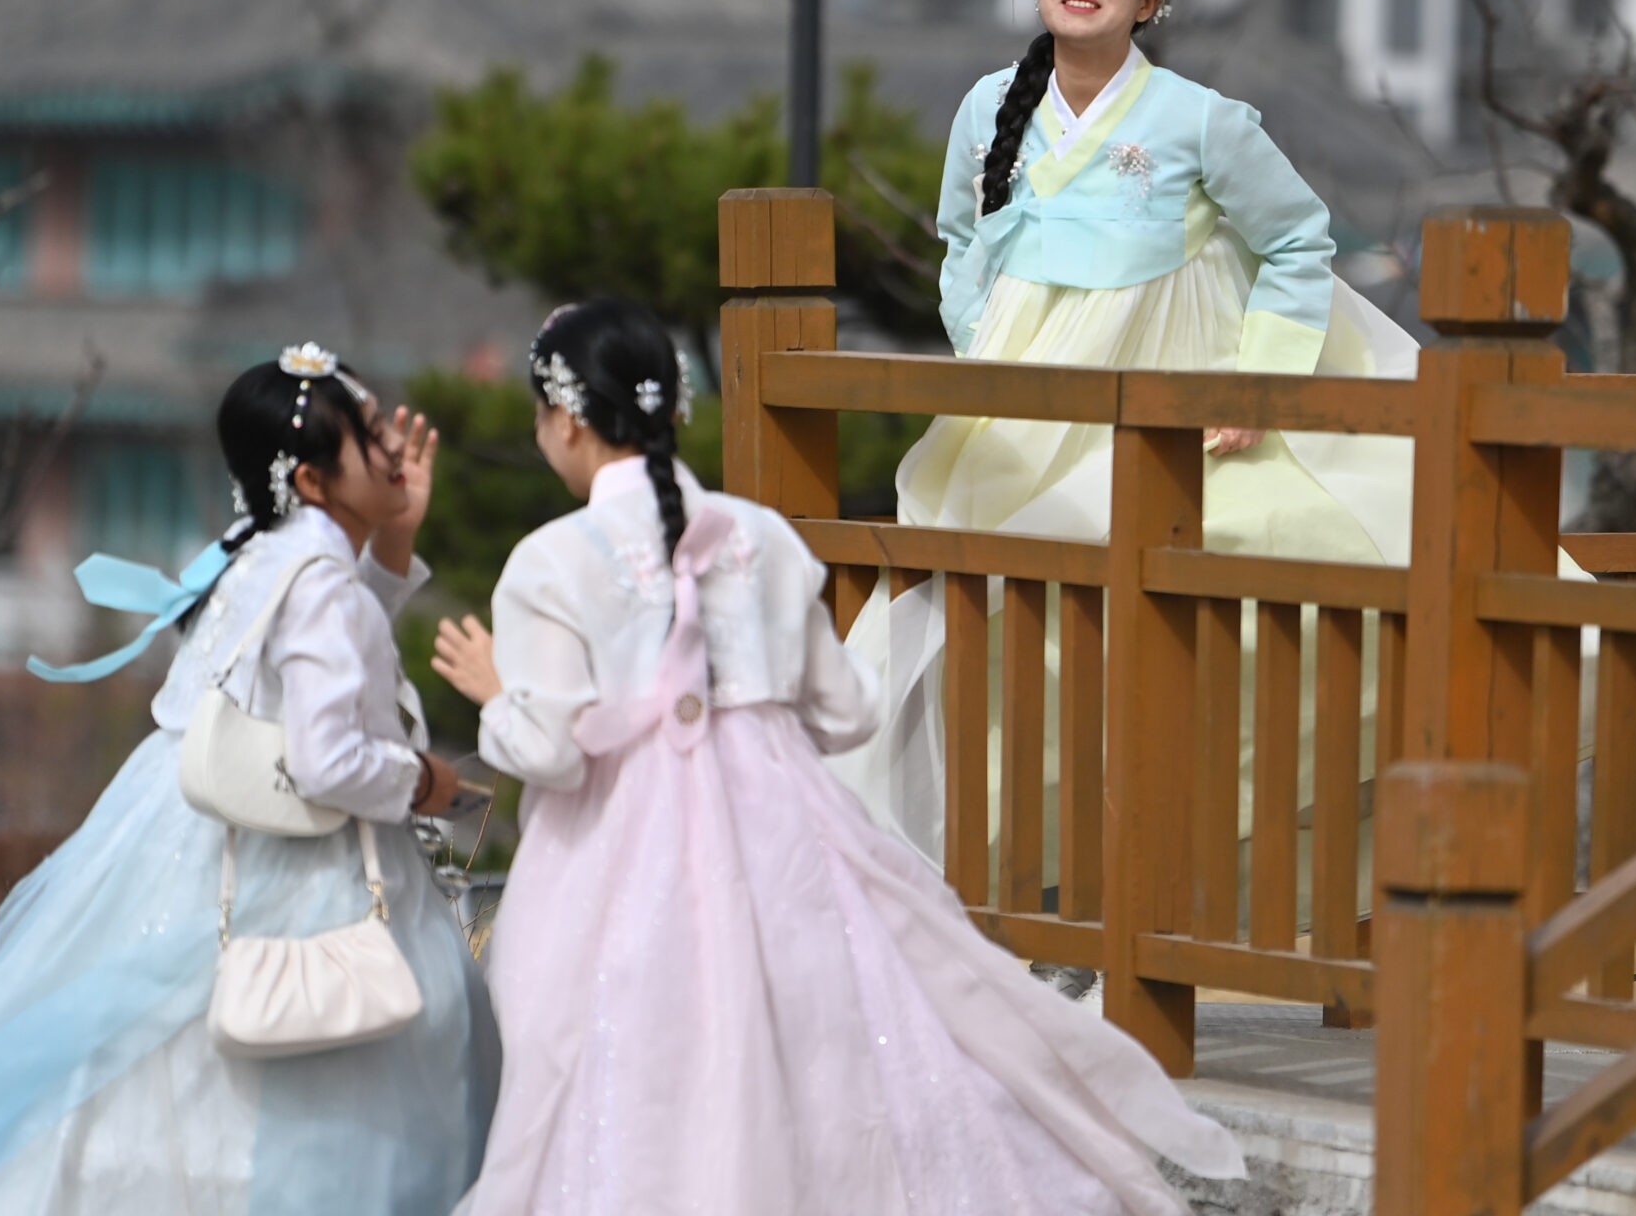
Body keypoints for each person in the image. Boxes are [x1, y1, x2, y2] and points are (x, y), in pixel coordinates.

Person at [429, 300, 1243, 1216]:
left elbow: (551, 751)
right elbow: (847, 710)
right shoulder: (757, 536)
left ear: (567, 419)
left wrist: (496, 693)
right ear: (675, 408)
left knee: (625, 1091)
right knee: (816, 1078)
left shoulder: (550, 562)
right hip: (782, 848)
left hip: (618, 868)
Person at [0, 344, 497, 1216]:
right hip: (289, 859)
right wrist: (426, 783)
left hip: (182, 829)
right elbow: (327, 757)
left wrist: (395, 538)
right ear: (310, 479)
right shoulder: (319, 583)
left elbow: (329, 655)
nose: (395, 448)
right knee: (315, 1088)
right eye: (371, 435)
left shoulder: (257, 552)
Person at [832, 0, 1421, 876]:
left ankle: (1169, 847)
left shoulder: (1201, 118)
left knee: (1194, 591)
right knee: (978, 605)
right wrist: (986, 347)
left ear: (1148, 2)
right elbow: (962, 243)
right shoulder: (988, 106)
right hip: (1020, 403)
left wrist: (1256, 384)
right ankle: (982, 861)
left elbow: (1296, 240)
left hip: (1162, 392)